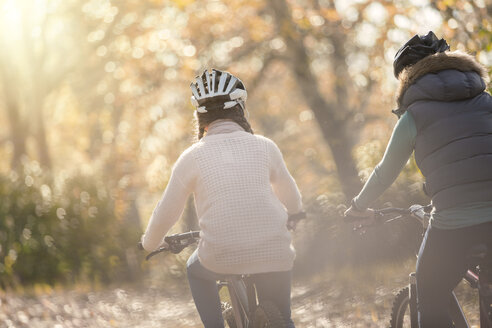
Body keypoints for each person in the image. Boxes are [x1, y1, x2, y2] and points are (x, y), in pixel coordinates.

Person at [344, 31, 492, 328]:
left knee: (430, 293)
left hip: (453, 223)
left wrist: (357, 206)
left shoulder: (414, 116)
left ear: (407, 77)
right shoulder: (486, 101)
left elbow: (385, 172)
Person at [141, 69, 303, 328]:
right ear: (240, 108)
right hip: (274, 247)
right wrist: (295, 212)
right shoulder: (265, 146)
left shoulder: (191, 157)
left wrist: (150, 243)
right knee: (283, 318)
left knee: (195, 271)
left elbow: (166, 212)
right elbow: (290, 193)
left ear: (200, 117)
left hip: (220, 253)